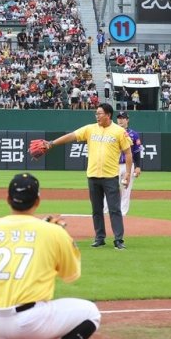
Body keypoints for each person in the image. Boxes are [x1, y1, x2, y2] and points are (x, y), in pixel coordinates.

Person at [0, 173, 100, 339]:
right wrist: (63, 236)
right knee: (91, 312)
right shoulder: (53, 232)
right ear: (38, 201)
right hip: (32, 323)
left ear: (7, 199)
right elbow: (71, 275)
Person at [46, 103, 132, 249]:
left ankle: (118, 239)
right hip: (93, 175)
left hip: (110, 176)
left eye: (99, 113)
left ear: (108, 115)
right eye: (96, 113)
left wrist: (128, 173)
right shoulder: (90, 129)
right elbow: (72, 136)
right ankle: (100, 237)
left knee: (114, 209)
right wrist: (52, 143)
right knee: (96, 209)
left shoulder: (119, 131)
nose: (96, 116)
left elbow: (128, 152)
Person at [103, 112, 142, 216]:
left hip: (127, 165)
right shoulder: (111, 132)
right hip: (113, 165)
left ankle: (123, 213)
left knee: (125, 190)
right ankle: (106, 211)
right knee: (109, 189)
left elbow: (137, 152)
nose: (120, 120)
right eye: (119, 118)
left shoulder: (134, 134)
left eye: (123, 118)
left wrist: (138, 166)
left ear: (127, 120)